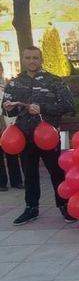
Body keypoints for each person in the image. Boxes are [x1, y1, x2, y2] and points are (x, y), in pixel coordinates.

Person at [2, 46, 75, 225]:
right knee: (29, 173)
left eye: (35, 57)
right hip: (24, 136)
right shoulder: (14, 83)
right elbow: (9, 111)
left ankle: (64, 205)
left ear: (41, 59)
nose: (32, 61)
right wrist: (9, 107)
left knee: (56, 172)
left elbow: (69, 106)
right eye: (28, 58)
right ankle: (31, 207)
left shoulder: (54, 81)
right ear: (23, 59)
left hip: (48, 136)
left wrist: (43, 108)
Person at [0, 62, 23, 191]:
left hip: (8, 122)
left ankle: (16, 181)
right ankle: (1, 182)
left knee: (12, 152)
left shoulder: (7, 85)